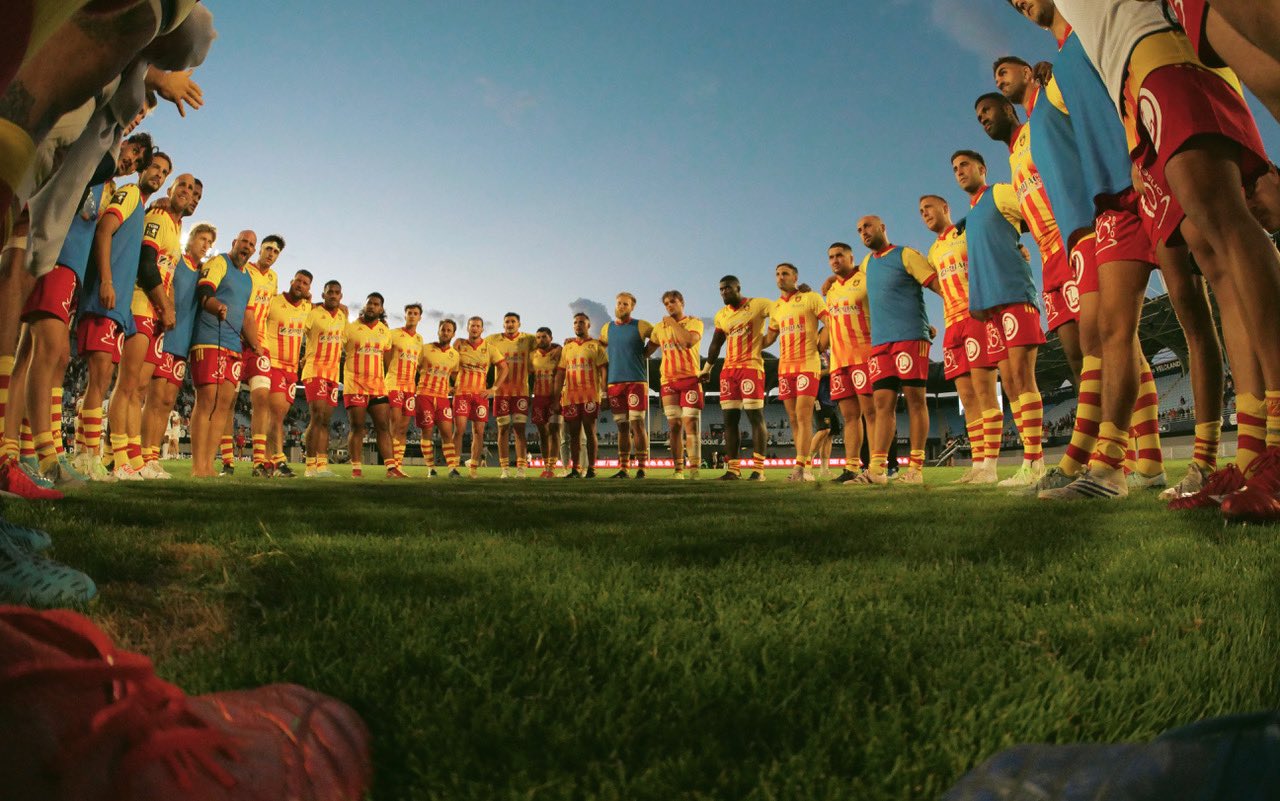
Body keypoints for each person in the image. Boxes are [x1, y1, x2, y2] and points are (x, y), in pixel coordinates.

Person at [11, 134, 151, 491]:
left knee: (33, 355)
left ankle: (20, 450)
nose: (130, 161)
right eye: (131, 151)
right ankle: (45, 455)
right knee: (50, 353)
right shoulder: (87, 163)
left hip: (71, 270)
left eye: (137, 161)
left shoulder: (106, 191)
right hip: (55, 259)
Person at [71, 151, 172, 482]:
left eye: (164, 172)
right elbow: (103, 231)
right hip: (106, 297)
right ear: (143, 170)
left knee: (101, 378)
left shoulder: (141, 207)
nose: (158, 174)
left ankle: (90, 455)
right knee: (99, 378)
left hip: (117, 305)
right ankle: (86, 456)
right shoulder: (129, 194)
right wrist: (108, 281)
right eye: (155, 167)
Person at [951, 146, 1048, 488]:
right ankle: (1029, 463)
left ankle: (1035, 463)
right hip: (990, 307)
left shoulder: (1001, 192)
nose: (960, 171)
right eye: (955, 169)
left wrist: (1026, 248)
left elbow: (1036, 214)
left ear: (981, 168)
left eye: (965, 165)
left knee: (1022, 378)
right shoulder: (972, 213)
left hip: (1014, 295)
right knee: (1009, 382)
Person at [919, 195, 1004, 486]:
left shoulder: (967, 232)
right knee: (967, 400)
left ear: (945, 208)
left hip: (976, 316)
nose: (924, 214)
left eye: (928, 208)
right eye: (920, 212)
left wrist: (1017, 249)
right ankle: (978, 465)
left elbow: (994, 251)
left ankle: (990, 466)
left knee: (985, 392)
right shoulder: (933, 251)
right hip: (951, 325)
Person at [851, 215, 941, 485]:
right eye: (859, 230)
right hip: (880, 343)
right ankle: (877, 470)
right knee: (881, 405)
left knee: (915, 399)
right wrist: (834, 277)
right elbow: (856, 275)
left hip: (910, 336)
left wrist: (962, 308)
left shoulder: (906, 255)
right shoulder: (866, 264)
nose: (863, 232)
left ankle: (915, 470)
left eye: (867, 226)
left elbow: (937, 285)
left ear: (883, 227)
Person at [139, 181, 205, 480]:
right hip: (162, 328)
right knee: (151, 397)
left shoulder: (203, 272)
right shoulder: (176, 256)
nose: (205, 245)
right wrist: (161, 202)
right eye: (201, 239)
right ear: (190, 239)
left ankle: (151, 456)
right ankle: (138, 454)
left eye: (209, 242)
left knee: (166, 401)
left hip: (182, 341)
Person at [188, 231, 258, 478]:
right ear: (234, 243)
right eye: (244, 242)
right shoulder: (219, 263)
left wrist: (256, 346)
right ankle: (198, 466)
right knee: (207, 400)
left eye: (251, 245)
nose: (247, 247)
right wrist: (215, 305)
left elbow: (248, 317)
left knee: (224, 405)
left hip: (233, 346)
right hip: (209, 339)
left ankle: (208, 464)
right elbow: (204, 291)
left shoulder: (249, 279)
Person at [761, 264, 829, 481]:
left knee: (803, 415)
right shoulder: (776, 307)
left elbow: (831, 321)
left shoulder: (811, 298)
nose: (780, 277)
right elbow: (769, 338)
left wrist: (822, 343)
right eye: (777, 274)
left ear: (795, 277)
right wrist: (746, 339)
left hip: (807, 364)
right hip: (785, 368)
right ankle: (803, 465)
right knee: (793, 418)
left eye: (785, 273)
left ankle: (802, 468)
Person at [702, 276, 772, 480]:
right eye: (721, 289)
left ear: (738, 288)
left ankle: (758, 469)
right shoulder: (722, 315)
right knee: (729, 421)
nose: (724, 292)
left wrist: (768, 339)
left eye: (728, 288)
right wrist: (707, 368)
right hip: (728, 371)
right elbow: (716, 344)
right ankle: (733, 469)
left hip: (751, 367)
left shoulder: (759, 304)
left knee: (755, 417)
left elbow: (780, 315)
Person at [821, 242, 878, 483]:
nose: (835, 260)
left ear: (851, 257)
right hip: (839, 362)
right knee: (850, 417)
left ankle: (876, 467)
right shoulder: (832, 290)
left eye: (840, 256)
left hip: (864, 356)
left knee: (871, 413)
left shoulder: (867, 278)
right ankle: (851, 467)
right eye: (831, 257)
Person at [238, 234, 283, 477]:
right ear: (260, 249)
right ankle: (227, 461)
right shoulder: (245, 269)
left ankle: (258, 461)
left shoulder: (273, 278)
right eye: (268, 249)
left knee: (262, 399)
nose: (271, 254)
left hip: (260, 346)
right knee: (226, 402)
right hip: (237, 341)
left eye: (276, 252)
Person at [647, 290, 704, 479]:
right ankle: (678, 470)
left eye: (672, 302)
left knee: (691, 425)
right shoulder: (659, 328)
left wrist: (672, 322)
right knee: (674, 426)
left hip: (690, 379)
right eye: (666, 304)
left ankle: (694, 469)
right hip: (668, 381)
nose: (669, 306)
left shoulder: (695, 322)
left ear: (682, 303)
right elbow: (648, 349)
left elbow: (688, 341)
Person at [261, 269, 313, 477]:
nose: (300, 285)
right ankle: (279, 461)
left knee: (277, 416)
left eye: (305, 283)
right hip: (272, 364)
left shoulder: (308, 309)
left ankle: (264, 462)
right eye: (298, 280)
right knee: (275, 414)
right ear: (291, 281)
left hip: (292, 371)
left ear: (309, 289)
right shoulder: (274, 301)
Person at [599, 292, 654, 478]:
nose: (621, 306)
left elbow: (658, 338)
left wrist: (646, 352)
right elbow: (599, 347)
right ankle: (623, 468)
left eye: (625, 304)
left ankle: (642, 467)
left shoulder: (641, 325)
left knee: (637, 424)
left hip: (636, 381)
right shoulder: (607, 328)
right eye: (619, 303)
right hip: (614, 383)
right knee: (622, 427)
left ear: (632, 307)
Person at [343, 293, 396, 478]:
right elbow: (336, 349)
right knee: (357, 427)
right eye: (369, 304)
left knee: (383, 426)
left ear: (381, 309)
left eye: (376, 304)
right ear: (364, 306)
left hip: (378, 386)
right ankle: (356, 469)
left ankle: (391, 468)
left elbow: (387, 358)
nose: (372, 307)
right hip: (355, 384)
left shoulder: (385, 331)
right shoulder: (350, 328)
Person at [554, 312, 608, 478]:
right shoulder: (568, 347)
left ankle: (591, 468)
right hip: (570, 396)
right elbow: (561, 373)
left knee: (590, 431)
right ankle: (575, 469)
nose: (578, 325)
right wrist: (556, 397)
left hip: (590, 395)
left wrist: (604, 393)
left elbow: (604, 370)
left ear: (588, 325)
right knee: (574, 434)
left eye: (582, 322)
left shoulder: (596, 345)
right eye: (576, 322)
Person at [300, 280, 345, 477]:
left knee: (326, 420)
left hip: (333, 374)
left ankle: (322, 464)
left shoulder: (343, 316)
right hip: (314, 370)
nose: (333, 295)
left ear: (340, 296)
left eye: (336, 292)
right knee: (316, 417)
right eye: (330, 292)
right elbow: (299, 333)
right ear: (323, 294)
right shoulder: (313, 313)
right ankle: (309, 466)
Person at [453, 316, 507, 479]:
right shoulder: (459, 344)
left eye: (477, 326)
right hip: (462, 393)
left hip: (481, 395)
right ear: (468, 328)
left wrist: (493, 389)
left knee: (479, 432)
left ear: (482, 329)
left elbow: (504, 368)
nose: (475, 328)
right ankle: (453, 467)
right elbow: (449, 362)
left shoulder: (490, 348)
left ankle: (473, 468)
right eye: (472, 326)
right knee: (460, 430)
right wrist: (453, 381)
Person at [486, 312, 536, 478]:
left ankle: (521, 469)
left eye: (513, 321)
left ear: (519, 324)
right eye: (507, 321)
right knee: (503, 429)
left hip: (521, 391)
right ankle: (505, 469)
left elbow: (546, 343)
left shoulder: (528, 339)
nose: (510, 324)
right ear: (503, 324)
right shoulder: (493, 339)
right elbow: (478, 347)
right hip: (501, 391)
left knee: (520, 430)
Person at [415, 318, 460, 478]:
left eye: (449, 330)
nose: (445, 332)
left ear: (453, 334)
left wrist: (455, 386)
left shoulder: (454, 355)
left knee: (447, 433)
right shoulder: (425, 349)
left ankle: (452, 468)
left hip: (442, 397)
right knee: (426, 431)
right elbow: (415, 367)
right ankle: (430, 468)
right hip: (424, 395)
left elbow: (454, 373)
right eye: (443, 329)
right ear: (438, 331)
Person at [385, 302, 423, 474]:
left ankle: (398, 465)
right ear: (405, 315)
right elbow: (385, 357)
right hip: (394, 383)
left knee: (403, 428)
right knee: (394, 424)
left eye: (415, 313)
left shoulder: (419, 339)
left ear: (420, 317)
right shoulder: (393, 334)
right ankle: (391, 467)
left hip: (410, 387)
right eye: (409, 313)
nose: (412, 316)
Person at [530, 326, 563, 478]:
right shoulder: (532, 355)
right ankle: (545, 465)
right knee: (542, 433)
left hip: (555, 397)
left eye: (544, 337)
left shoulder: (558, 352)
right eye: (538, 337)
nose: (541, 340)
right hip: (538, 397)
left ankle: (551, 468)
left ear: (551, 338)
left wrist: (560, 347)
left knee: (555, 431)